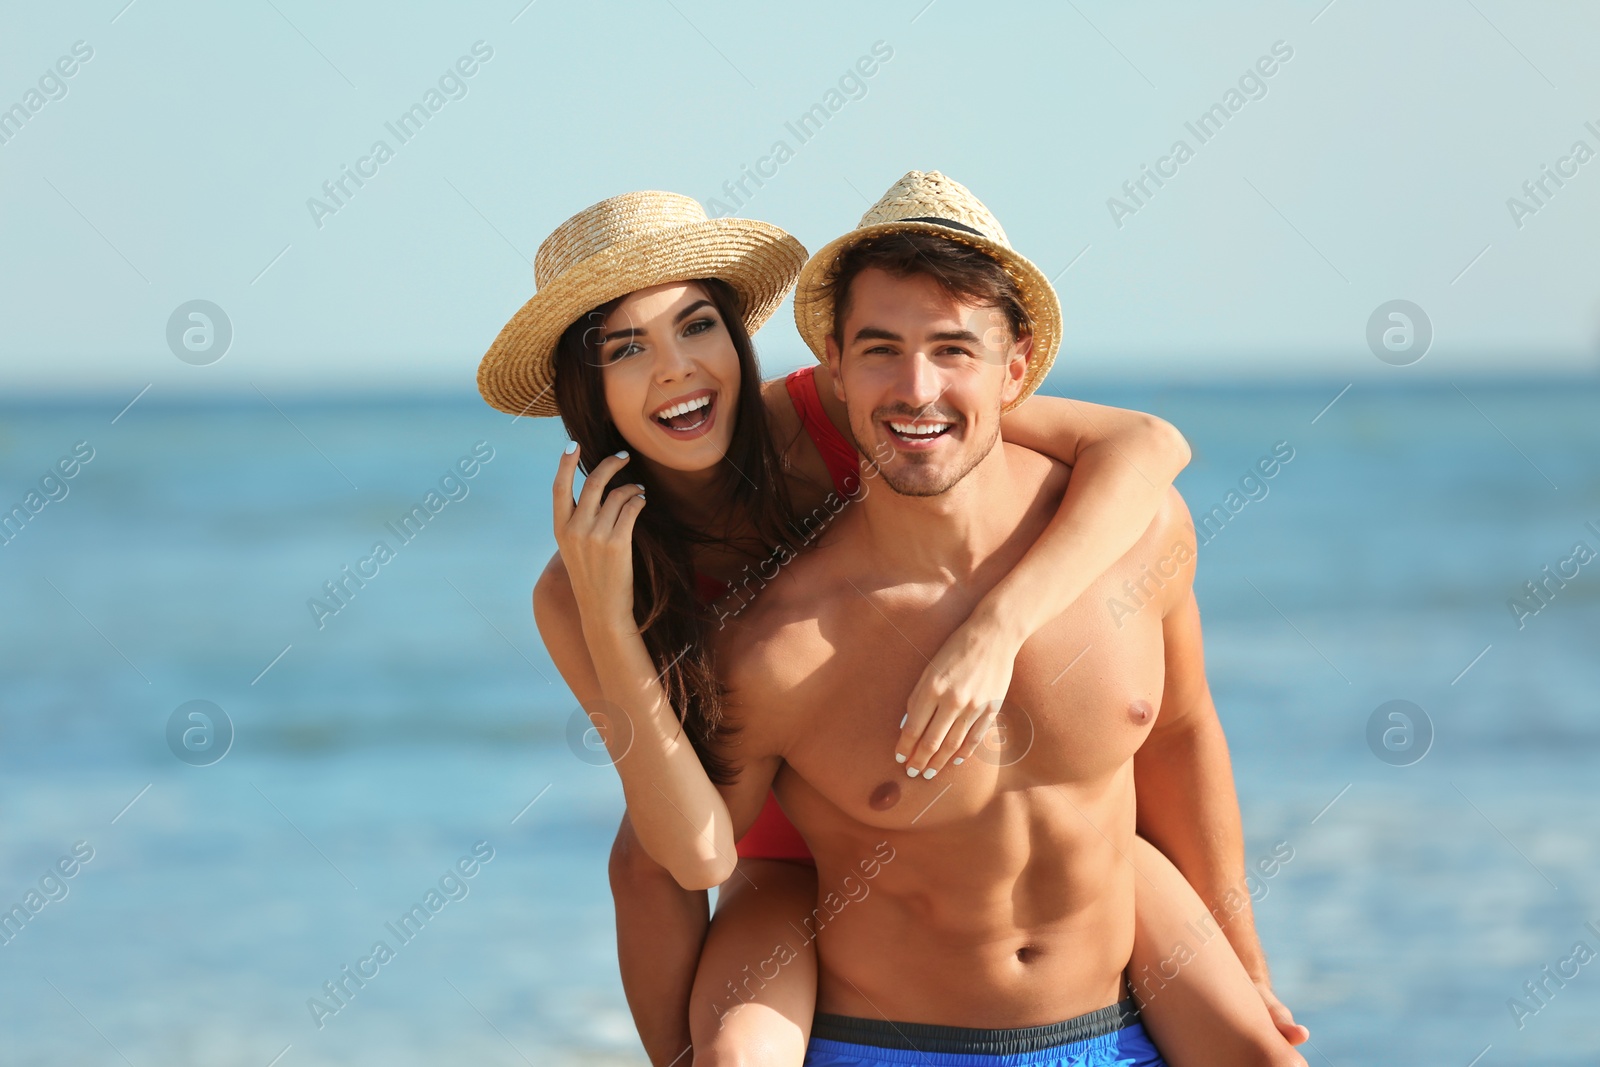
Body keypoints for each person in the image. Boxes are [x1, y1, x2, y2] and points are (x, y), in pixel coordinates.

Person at [475, 186, 1302, 1065]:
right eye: (626, 348)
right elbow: (690, 854)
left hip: (944, 801)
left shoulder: (843, 408)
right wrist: (609, 617)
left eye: (696, 326)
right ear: (587, 384)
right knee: (644, 878)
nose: (676, 368)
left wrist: (1000, 624)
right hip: (773, 842)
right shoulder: (584, 589)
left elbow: (1144, 445)